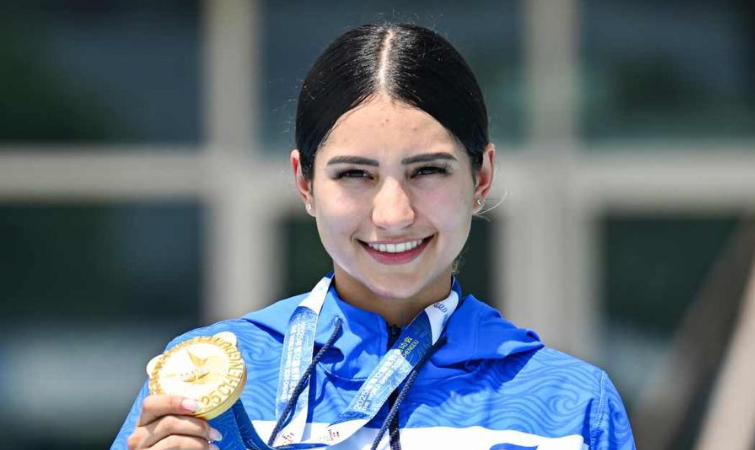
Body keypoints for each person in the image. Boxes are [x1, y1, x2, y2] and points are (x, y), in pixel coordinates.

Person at [112, 23, 636, 450]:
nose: (392, 214)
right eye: (355, 174)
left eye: (427, 170)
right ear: (304, 183)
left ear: (480, 178)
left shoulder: (572, 405)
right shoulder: (204, 384)